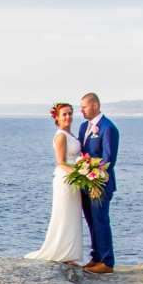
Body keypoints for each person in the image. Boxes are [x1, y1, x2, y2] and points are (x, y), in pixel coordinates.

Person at [24, 102, 87, 263]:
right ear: (57, 118)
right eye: (64, 114)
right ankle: (60, 252)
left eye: (70, 113)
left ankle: (70, 253)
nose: (68, 117)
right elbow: (61, 162)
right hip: (65, 180)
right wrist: (81, 173)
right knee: (64, 214)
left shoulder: (72, 135)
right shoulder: (61, 136)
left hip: (74, 181)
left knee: (72, 216)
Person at [76, 92, 119, 273]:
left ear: (94, 106)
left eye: (84, 107)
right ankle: (96, 257)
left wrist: (94, 174)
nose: (81, 110)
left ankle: (107, 261)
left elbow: (109, 159)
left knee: (101, 220)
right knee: (91, 221)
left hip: (100, 183)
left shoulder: (108, 128)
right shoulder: (84, 126)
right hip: (85, 182)